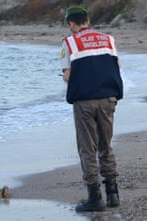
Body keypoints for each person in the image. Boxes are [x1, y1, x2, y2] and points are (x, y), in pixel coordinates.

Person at [61, 6, 123, 212]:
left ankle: (95, 197)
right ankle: (113, 193)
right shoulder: (108, 39)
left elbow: (68, 76)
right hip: (108, 98)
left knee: (87, 148)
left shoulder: (69, 42)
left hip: (85, 102)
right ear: (87, 20)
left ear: (71, 23)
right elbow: (116, 67)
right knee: (106, 144)